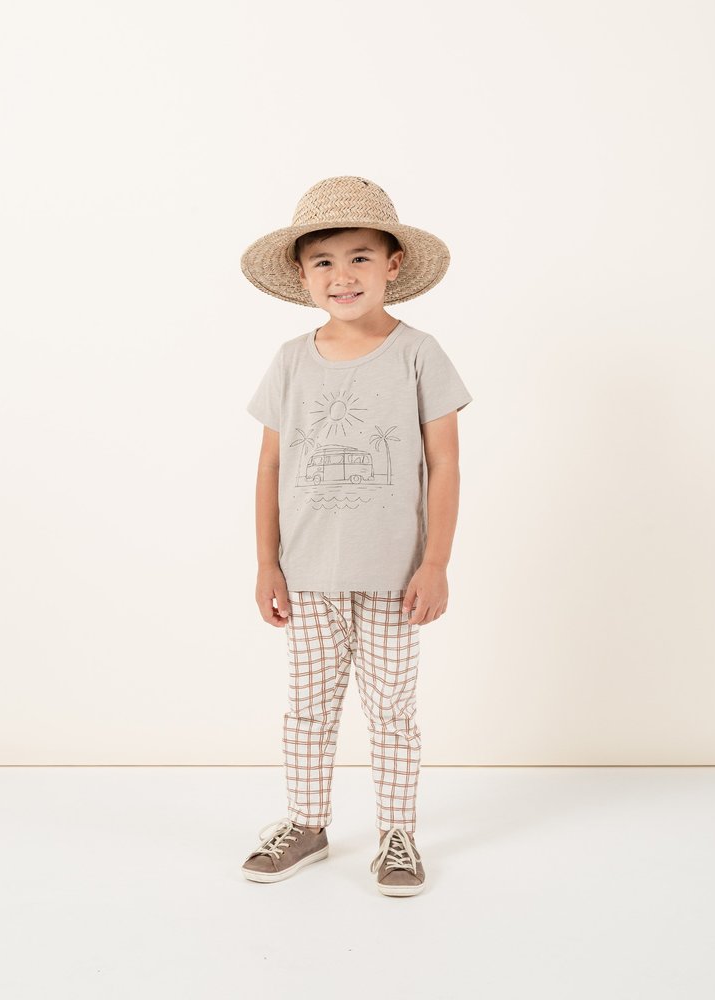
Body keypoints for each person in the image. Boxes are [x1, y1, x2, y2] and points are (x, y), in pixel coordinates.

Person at [238, 176, 473, 896]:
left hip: (395, 579)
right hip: (307, 577)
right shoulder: (291, 359)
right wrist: (267, 564)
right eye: (324, 261)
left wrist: (436, 563)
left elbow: (445, 463)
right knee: (308, 710)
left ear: (392, 264)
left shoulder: (418, 353)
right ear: (302, 273)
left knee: (392, 711)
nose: (342, 276)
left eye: (360, 257)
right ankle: (306, 823)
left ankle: (397, 834)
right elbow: (271, 464)